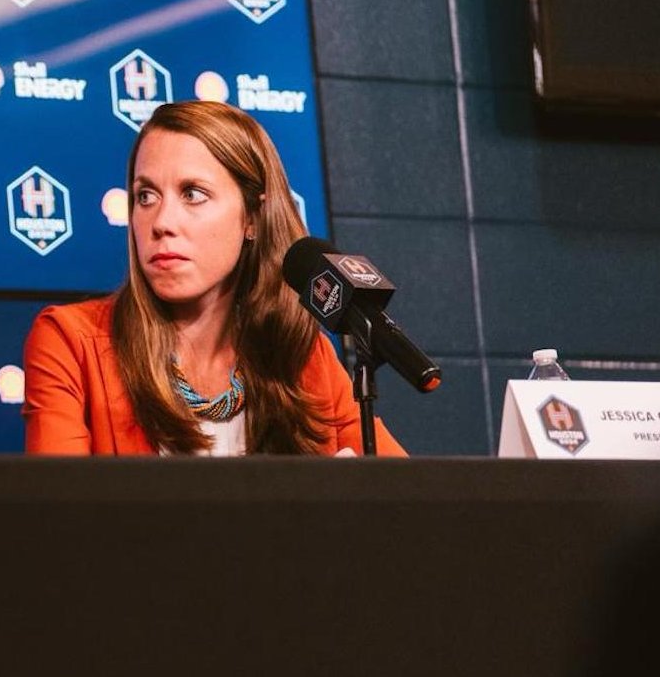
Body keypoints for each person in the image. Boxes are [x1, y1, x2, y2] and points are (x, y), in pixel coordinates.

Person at [23, 100, 405, 457]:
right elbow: (60, 518)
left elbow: (404, 500)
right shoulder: (69, 342)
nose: (162, 223)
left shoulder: (305, 358)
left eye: (192, 194)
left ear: (252, 219)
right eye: (145, 196)